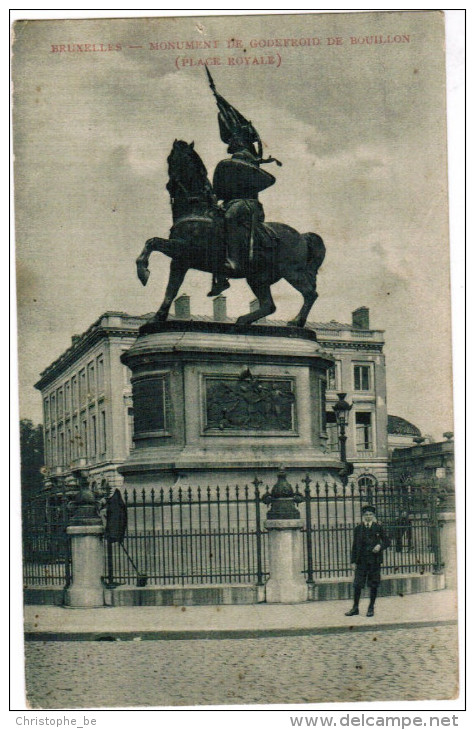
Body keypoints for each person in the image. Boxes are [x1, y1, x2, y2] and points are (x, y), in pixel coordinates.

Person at [205, 67, 280, 297]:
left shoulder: (248, 164)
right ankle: (219, 277)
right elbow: (218, 190)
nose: (232, 143)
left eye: (236, 141)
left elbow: (267, 180)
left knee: (229, 216)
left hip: (247, 205)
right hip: (231, 202)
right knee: (211, 225)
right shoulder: (227, 165)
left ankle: (233, 263)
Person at [345, 504, 391, 617]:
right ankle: (355, 608)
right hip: (361, 561)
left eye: (370, 514)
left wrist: (380, 546)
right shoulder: (358, 529)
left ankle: (371, 608)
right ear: (363, 516)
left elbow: (387, 541)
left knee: (373, 584)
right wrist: (353, 561)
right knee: (357, 584)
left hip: (374, 561)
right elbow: (355, 546)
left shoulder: (378, 527)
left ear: (374, 516)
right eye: (366, 515)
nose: (368, 517)